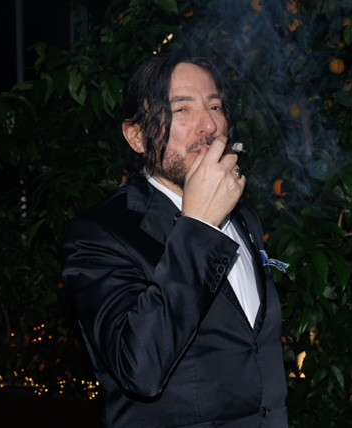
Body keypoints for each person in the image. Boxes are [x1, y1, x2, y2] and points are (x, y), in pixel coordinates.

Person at [61, 49, 289, 427]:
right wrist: (199, 226)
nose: (209, 125)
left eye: (215, 107)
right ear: (137, 136)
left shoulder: (245, 218)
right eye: (182, 109)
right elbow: (139, 369)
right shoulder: (99, 235)